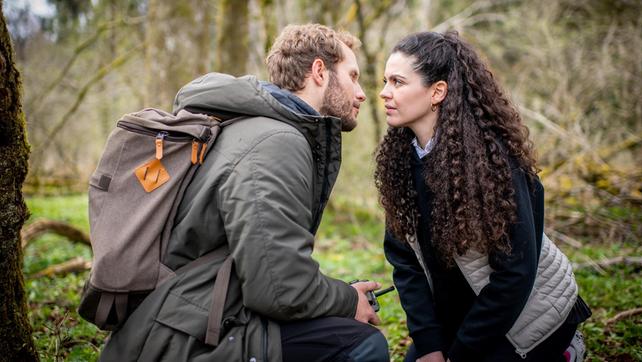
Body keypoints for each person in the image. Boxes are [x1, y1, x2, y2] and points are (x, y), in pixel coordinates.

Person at [100, 24, 389, 362]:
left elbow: (268, 266)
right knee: (363, 345)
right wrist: (347, 300)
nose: (362, 93)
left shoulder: (253, 128)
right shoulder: (277, 142)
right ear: (320, 72)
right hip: (183, 339)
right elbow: (279, 289)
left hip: (185, 318)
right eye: (352, 76)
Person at [375, 31, 591, 362]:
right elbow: (405, 262)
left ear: (437, 91)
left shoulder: (493, 163)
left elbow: (515, 274)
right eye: (385, 81)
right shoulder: (401, 164)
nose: (384, 93)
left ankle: (564, 351)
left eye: (397, 82)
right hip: (458, 318)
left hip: (526, 318)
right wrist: (430, 344)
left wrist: (461, 354)